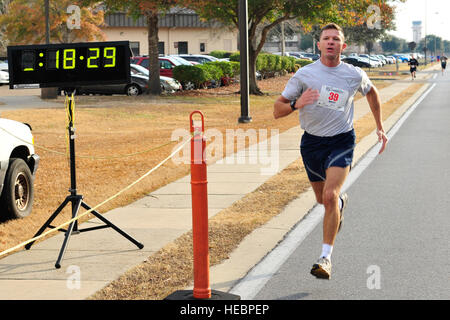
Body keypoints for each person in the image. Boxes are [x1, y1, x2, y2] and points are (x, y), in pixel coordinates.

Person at [273, 23, 388, 280]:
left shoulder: (354, 74)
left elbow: (372, 94)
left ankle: (325, 258)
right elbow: (276, 110)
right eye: (326, 38)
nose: (331, 42)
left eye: (336, 39)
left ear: (343, 46)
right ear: (319, 44)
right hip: (312, 143)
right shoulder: (304, 75)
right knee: (322, 200)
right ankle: (339, 203)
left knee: (328, 196)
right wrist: (296, 103)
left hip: (342, 140)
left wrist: (380, 127)